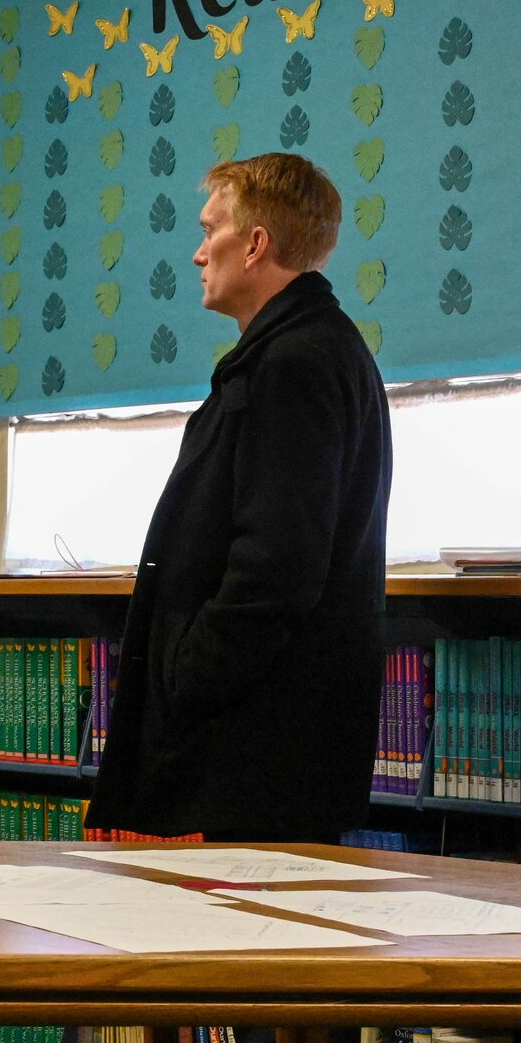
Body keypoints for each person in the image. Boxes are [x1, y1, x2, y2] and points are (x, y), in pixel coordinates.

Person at [87, 152, 392, 843]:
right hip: (263, 755)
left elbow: (275, 569)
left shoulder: (295, 364)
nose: (198, 253)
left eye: (210, 229)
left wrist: (185, 675)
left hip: (254, 761)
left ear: (256, 244)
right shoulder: (306, 351)